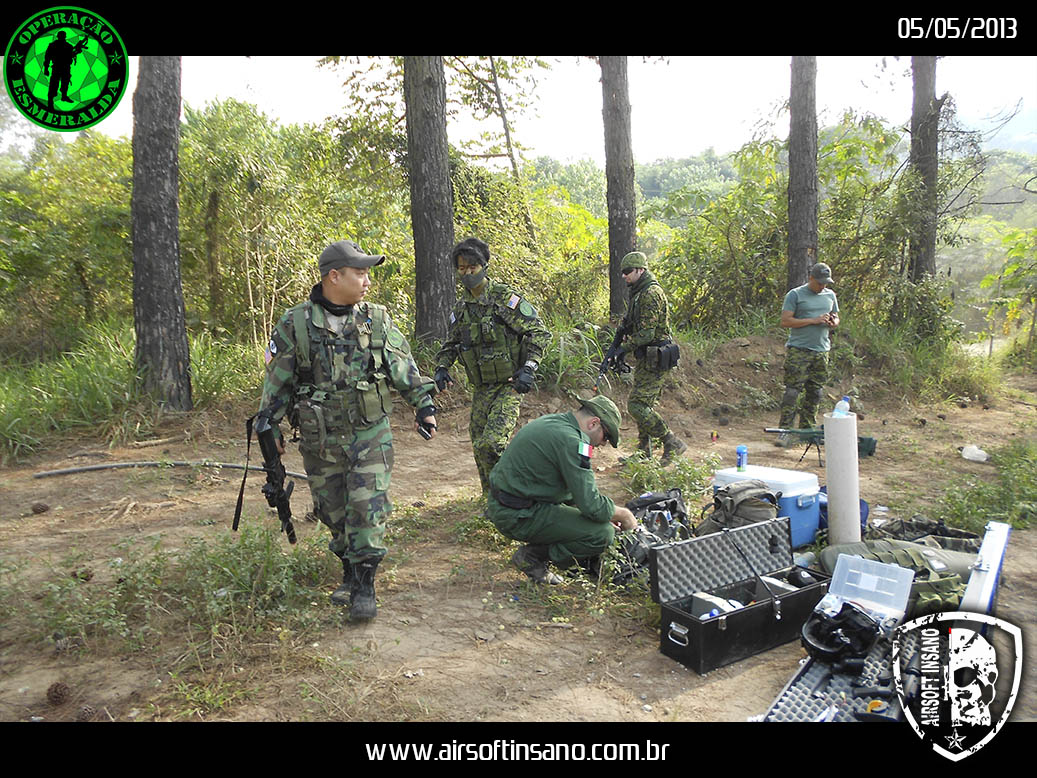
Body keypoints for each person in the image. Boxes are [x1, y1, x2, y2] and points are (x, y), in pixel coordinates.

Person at [260, 239, 438, 621]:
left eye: (367, 273)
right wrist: (270, 424)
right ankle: (348, 571)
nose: (367, 281)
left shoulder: (376, 319)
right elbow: (277, 381)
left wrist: (423, 405)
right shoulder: (296, 323)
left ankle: (364, 587)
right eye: (360, 273)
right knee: (334, 510)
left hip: (369, 432)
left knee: (367, 506)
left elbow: (401, 366)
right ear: (334, 276)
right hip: (320, 438)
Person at [433, 237, 551, 493]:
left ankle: (517, 491)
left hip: (509, 385)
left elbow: (539, 333)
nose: (467, 273)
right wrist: (442, 367)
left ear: (484, 266)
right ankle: (492, 498)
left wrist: (529, 367)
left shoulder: (505, 299)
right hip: (482, 389)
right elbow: (451, 344)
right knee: (479, 445)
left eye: (472, 267)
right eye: (462, 268)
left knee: (493, 443)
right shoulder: (462, 309)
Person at [486, 395, 639, 584]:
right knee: (602, 533)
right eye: (606, 436)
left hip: (505, 504)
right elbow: (591, 504)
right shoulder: (574, 442)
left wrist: (603, 514)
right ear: (593, 423)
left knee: (596, 521)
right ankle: (533, 556)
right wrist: (624, 515)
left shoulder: (555, 422)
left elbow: (573, 493)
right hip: (517, 515)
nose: (603, 444)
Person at [615, 251, 686, 464]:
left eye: (628, 271)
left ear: (640, 270)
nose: (624, 276)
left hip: (656, 357)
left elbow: (646, 334)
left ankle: (670, 441)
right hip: (647, 357)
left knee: (637, 406)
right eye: (623, 272)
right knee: (642, 404)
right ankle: (644, 451)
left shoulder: (650, 294)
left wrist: (623, 349)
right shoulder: (639, 292)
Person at [775, 262, 840, 445]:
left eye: (825, 283)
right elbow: (786, 321)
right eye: (819, 282)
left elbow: (836, 316)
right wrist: (813, 320)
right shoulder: (795, 295)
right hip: (799, 350)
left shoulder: (830, 295)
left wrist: (833, 322)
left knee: (815, 392)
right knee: (792, 392)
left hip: (821, 350)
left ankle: (807, 430)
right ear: (811, 278)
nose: (822, 286)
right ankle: (785, 430)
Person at [44, 31, 85, 109]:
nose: (62, 37)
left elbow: (71, 55)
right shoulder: (53, 45)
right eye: (61, 36)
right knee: (54, 83)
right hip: (57, 66)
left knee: (65, 82)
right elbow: (47, 57)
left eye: (63, 36)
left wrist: (77, 51)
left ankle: (64, 96)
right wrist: (46, 68)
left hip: (66, 67)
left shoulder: (68, 46)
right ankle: (50, 100)